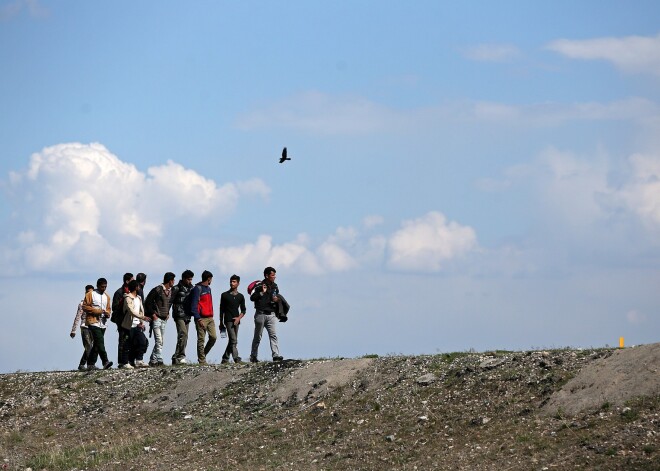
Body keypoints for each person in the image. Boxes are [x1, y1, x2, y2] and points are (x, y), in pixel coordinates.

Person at [249, 267, 283, 363]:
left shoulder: (275, 286)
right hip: (260, 314)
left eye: (274, 275)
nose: (274, 277)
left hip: (271, 314)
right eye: (272, 275)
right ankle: (253, 356)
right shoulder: (259, 285)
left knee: (273, 335)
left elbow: (275, 297)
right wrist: (261, 292)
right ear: (266, 276)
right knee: (258, 336)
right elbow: (252, 297)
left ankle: (276, 355)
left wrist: (276, 300)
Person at [145, 272, 175, 366]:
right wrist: (153, 314)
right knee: (159, 340)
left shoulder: (170, 291)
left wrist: (167, 313)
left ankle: (153, 360)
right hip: (157, 318)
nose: (174, 282)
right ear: (170, 281)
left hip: (164, 319)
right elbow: (148, 302)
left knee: (161, 340)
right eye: (173, 280)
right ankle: (159, 359)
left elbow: (168, 303)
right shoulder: (157, 289)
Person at [82, 277, 113, 370]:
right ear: (98, 286)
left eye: (105, 287)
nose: (104, 289)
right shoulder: (90, 294)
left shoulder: (107, 297)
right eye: (102, 287)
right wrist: (97, 311)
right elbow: (85, 306)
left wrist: (108, 313)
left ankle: (91, 363)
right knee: (100, 341)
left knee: (97, 344)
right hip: (93, 321)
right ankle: (105, 361)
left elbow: (108, 308)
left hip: (103, 323)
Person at [122, 279, 150, 368]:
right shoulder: (127, 298)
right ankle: (125, 363)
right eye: (138, 286)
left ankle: (139, 360)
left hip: (138, 325)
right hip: (129, 325)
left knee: (142, 341)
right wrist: (143, 318)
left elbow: (140, 311)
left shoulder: (139, 298)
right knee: (127, 344)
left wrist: (141, 322)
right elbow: (131, 311)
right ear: (136, 287)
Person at [191, 270, 216, 365]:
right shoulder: (197, 289)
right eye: (211, 279)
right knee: (201, 339)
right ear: (209, 279)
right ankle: (202, 361)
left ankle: (203, 354)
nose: (211, 281)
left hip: (210, 318)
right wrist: (198, 318)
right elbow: (194, 305)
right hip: (201, 318)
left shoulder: (209, 289)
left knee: (213, 337)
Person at [220, 274, 246, 364]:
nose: (232, 283)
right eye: (231, 281)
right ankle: (236, 358)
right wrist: (221, 323)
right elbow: (221, 310)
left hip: (236, 321)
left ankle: (225, 358)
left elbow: (243, 310)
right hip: (227, 320)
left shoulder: (241, 296)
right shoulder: (224, 295)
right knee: (234, 340)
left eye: (234, 281)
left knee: (232, 340)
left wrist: (239, 318)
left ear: (238, 283)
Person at [171, 269, 195, 365]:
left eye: (191, 279)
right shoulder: (176, 288)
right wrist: (168, 313)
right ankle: (181, 356)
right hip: (179, 315)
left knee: (183, 337)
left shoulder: (192, 288)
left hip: (187, 315)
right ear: (184, 279)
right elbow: (170, 301)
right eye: (189, 279)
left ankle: (176, 357)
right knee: (183, 334)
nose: (190, 281)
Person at [70, 284, 95, 371]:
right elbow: (77, 317)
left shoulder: (95, 304)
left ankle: (82, 364)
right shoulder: (82, 304)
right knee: (88, 346)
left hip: (93, 326)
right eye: (88, 292)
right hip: (84, 326)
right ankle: (90, 365)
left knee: (92, 346)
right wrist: (73, 330)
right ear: (85, 293)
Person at [112, 272, 134, 369]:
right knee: (122, 340)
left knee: (131, 339)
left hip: (131, 320)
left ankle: (129, 360)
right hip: (121, 320)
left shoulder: (132, 292)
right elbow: (114, 307)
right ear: (127, 281)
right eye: (132, 280)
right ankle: (121, 362)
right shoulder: (119, 292)